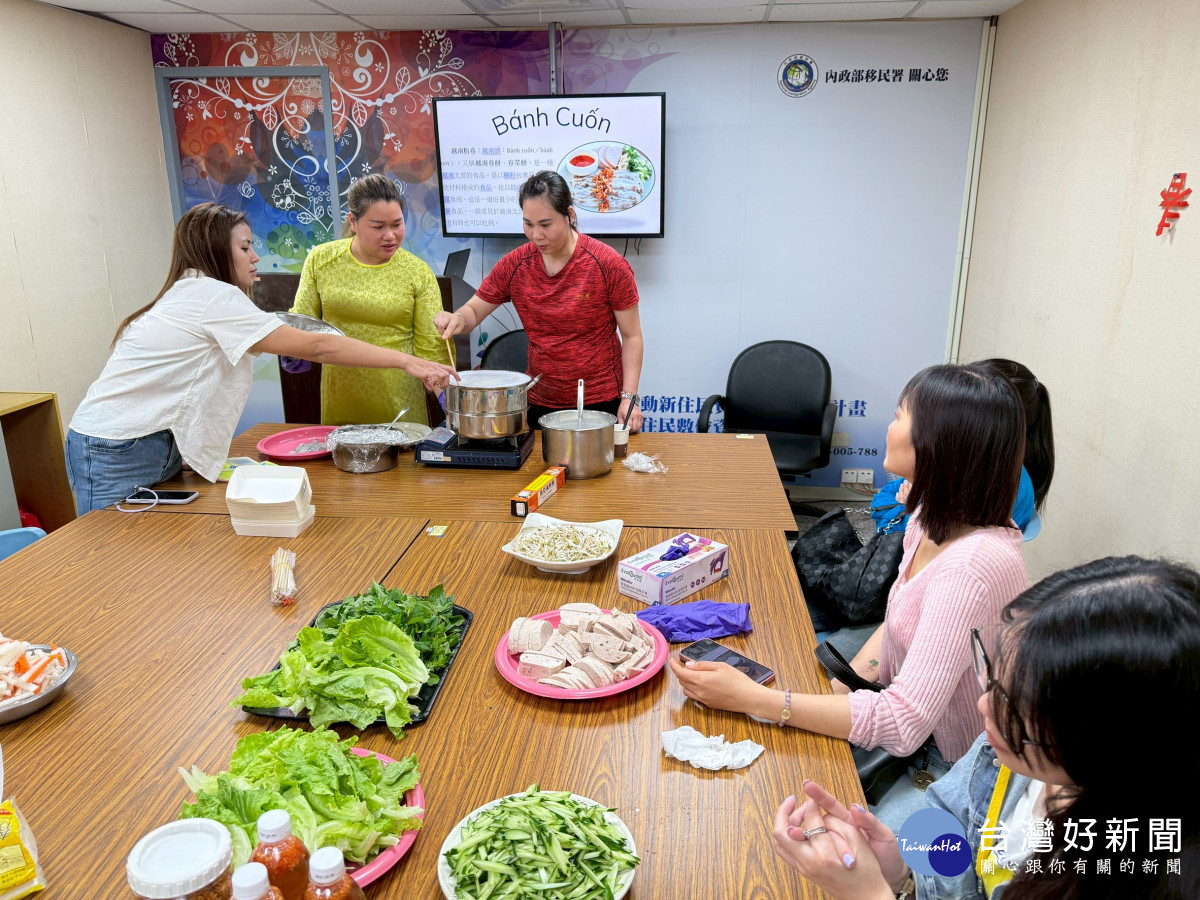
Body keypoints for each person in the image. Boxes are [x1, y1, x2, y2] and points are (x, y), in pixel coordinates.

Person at [672, 363, 1029, 828]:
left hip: (950, 770)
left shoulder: (972, 569)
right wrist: (840, 686)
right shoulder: (925, 511)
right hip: (909, 731)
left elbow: (902, 724)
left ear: (936, 443)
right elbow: (899, 621)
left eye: (901, 415)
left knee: (811, 832)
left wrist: (757, 700)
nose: (890, 425)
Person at [770, 555, 1200, 900]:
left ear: (1110, 743)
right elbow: (945, 820)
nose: (984, 705)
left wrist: (868, 894)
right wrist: (901, 872)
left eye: (1015, 704)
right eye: (994, 675)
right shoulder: (1001, 757)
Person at [66, 203, 458, 514]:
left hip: (146, 443)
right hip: (118, 448)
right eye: (244, 247)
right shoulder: (214, 296)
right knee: (111, 559)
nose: (255, 256)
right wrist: (407, 362)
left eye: (252, 245)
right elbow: (317, 343)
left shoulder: (203, 294)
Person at [433, 170, 645, 431]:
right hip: (540, 399)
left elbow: (632, 336)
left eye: (545, 225)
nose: (535, 235)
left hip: (601, 400)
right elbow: (473, 312)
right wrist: (457, 318)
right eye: (528, 224)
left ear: (570, 216)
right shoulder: (516, 264)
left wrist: (629, 397)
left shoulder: (607, 264)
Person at [290, 174, 453, 426]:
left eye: (397, 225)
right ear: (353, 221)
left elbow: (431, 349)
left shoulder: (417, 272)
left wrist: (447, 398)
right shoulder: (322, 260)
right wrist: (292, 351)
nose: (390, 235)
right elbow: (303, 324)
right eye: (378, 227)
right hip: (341, 400)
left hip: (400, 405)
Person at [870, 358, 1054, 534]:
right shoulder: (963, 463)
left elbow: (930, 534)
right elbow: (885, 497)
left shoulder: (987, 488)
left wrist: (907, 510)